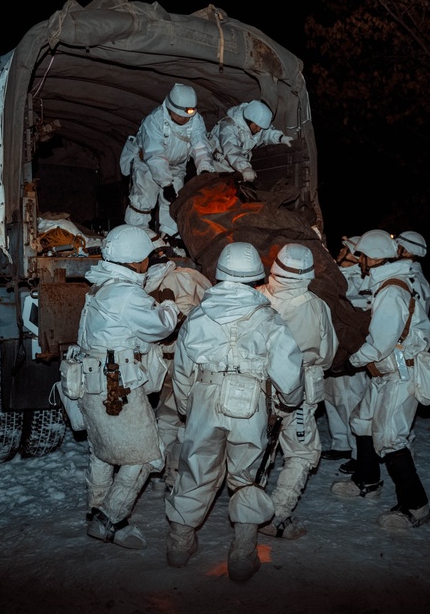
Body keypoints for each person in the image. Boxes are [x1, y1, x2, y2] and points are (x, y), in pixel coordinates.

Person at [165, 241, 304, 582]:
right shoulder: (268, 317)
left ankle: (180, 546)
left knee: (196, 468)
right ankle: (242, 554)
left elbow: (181, 369)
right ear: (257, 277)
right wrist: (289, 401)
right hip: (250, 400)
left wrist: (186, 406)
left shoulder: (198, 315)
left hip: (204, 396)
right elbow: (288, 369)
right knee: (248, 475)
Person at [75, 225, 180, 550]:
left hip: (91, 380)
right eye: (146, 259)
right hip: (116, 384)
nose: (148, 263)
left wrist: (157, 269)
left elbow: (128, 298)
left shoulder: (100, 287)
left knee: (103, 450)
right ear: (135, 263)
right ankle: (111, 518)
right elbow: (159, 327)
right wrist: (169, 306)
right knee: (147, 454)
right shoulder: (128, 295)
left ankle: (95, 509)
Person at [329, 229, 430, 529]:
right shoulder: (389, 283)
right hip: (386, 371)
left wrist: (350, 362)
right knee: (362, 422)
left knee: (390, 438)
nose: (358, 261)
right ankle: (367, 481)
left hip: (400, 374)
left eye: (361, 255)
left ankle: (416, 506)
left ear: (372, 258)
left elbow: (380, 343)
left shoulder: (391, 290)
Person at [257, 243, 338, 540]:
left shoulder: (256, 298)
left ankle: (250, 510)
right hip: (301, 388)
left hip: (261, 387)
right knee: (303, 453)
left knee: (261, 448)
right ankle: (277, 515)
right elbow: (328, 353)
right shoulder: (316, 306)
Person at [142, 231, 213, 493]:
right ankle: (164, 473)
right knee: (168, 418)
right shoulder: (148, 282)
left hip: (187, 362)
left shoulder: (185, 278)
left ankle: (173, 475)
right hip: (164, 363)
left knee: (182, 420)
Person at [121, 83, 215, 243]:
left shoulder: (196, 121)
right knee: (143, 202)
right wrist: (166, 184)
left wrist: (205, 168)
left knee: (174, 205)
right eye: (180, 115)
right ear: (170, 107)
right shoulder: (154, 121)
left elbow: (200, 146)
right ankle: (134, 240)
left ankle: (170, 240)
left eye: (188, 115)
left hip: (176, 168)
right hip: (148, 166)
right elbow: (155, 154)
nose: (184, 119)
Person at [322, 236, 372, 473]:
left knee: (350, 400)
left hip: (349, 351)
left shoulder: (360, 280)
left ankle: (356, 451)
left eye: (346, 249)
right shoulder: (338, 276)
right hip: (334, 349)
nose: (341, 251)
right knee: (331, 397)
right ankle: (340, 442)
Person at [208, 100, 294, 183]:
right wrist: (245, 167)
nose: (259, 129)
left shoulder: (255, 125)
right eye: (257, 126)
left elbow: (266, 132)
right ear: (249, 120)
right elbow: (231, 149)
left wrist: (280, 138)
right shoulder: (228, 127)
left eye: (261, 127)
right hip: (217, 167)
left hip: (236, 166)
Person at [395, 230, 430, 315]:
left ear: (407, 251)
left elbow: (418, 314)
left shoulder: (413, 279)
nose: (395, 251)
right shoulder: (407, 273)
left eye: (399, 247)